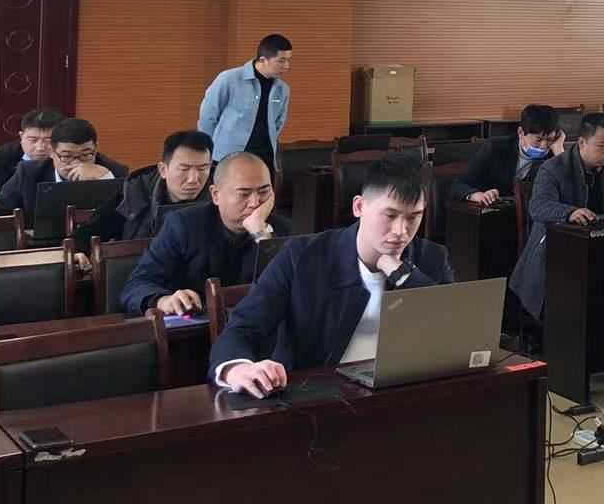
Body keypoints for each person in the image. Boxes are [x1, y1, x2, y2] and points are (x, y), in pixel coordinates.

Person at [209, 153, 453, 395]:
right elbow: (242, 328)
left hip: (404, 393)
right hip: (317, 396)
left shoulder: (432, 258)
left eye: (413, 217)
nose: (401, 231)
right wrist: (237, 368)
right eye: (390, 215)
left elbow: (454, 333)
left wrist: (403, 274)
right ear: (359, 206)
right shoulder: (302, 257)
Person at [119, 151, 290, 315]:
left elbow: (294, 287)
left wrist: (261, 234)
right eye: (244, 194)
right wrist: (164, 300)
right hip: (197, 327)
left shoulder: (282, 229)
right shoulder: (183, 225)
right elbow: (137, 285)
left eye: (264, 192)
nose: (255, 202)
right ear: (216, 195)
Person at [507, 113, 604, 318]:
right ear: (582, 143)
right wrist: (569, 212)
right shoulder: (553, 168)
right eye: (601, 146)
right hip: (557, 245)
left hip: (599, 240)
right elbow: (538, 206)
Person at [74, 129, 215, 248]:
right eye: (184, 169)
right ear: (163, 170)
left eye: (202, 168)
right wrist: (79, 251)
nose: (193, 179)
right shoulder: (137, 191)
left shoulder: (222, 193)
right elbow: (89, 233)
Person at [0, 116, 127, 217]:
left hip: (96, 245)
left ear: (96, 149)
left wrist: (107, 180)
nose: (77, 163)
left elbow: (130, 218)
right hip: (40, 247)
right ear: (51, 152)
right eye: (67, 156)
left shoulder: (114, 171)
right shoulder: (28, 173)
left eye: (85, 154)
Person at [199, 33, 292, 175]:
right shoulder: (229, 79)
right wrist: (206, 150)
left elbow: (278, 123)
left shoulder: (282, 89)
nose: (286, 66)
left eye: (289, 60)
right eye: (281, 61)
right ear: (263, 60)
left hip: (264, 157)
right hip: (228, 157)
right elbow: (208, 117)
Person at [452, 104, 565, 205]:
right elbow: (458, 185)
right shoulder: (496, 147)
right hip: (494, 211)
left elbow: (569, 189)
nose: (543, 146)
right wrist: (477, 195)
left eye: (549, 139)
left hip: (531, 214)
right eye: (538, 139)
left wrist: (559, 150)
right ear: (521, 132)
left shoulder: (554, 154)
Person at [0, 106, 62, 197]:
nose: (40, 148)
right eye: (33, 140)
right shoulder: (1, 157)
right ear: (21, 136)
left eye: (48, 140)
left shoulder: (65, 158)